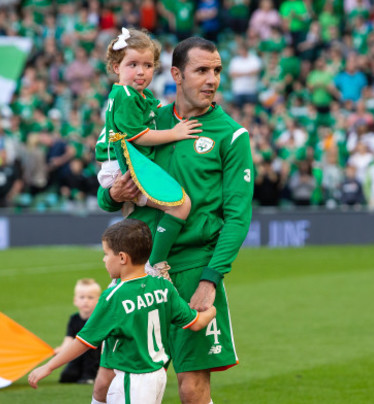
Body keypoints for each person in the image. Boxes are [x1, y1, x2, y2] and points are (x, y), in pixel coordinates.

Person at [96, 37, 254, 404]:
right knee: (110, 386)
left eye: (216, 70)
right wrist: (112, 194)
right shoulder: (146, 121)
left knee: (192, 389)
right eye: (201, 70)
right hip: (138, 271)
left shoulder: (231, 135)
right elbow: (111, 189)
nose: (211, 79)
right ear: (177, 74)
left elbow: (237, 219)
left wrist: (211, 280)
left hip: (192, 270)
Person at [28, 219, 216, 404]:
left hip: (131, 380)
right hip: (158, 377)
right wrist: (212, 310)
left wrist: (49, 366)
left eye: (106, 254)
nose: (103, 259)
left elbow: (84, 341)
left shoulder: (114, 297)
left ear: (122, 258)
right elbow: (196, 322)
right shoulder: (164, 287)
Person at [95, 27, 201, 278]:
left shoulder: (140, 96)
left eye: (148, 65)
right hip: (122, 169)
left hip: (126, 166)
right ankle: (154, 264)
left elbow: (150, 116)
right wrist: (175, 133)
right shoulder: (126, 97)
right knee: (180, 205)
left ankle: (152, 263)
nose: (141, 72)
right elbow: (138, 135)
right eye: (132, 64)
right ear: (116, 68)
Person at [55, 278, 102, 384]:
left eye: (90, 297)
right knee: (66, 377)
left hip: (95, 356)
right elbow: (68, 340)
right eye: (82, 297)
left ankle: (90, 376)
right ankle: (82, 374)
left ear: (98, 300)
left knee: (89, 347)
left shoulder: (98, 319)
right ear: (75, 300)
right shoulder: (74, 319)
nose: (85, 301)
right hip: (78, 355)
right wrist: (60, 350)